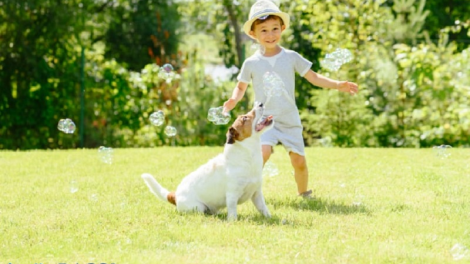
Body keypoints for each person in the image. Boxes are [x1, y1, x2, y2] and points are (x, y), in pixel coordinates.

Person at [223, 0, 358, 198]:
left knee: (299, 161)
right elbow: (241, 86)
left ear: (283, 28)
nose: (271, 35)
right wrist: (233, 100)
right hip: (264, 119)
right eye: (264, 30)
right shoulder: (251, 63)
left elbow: (314, 77)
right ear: (253, 34)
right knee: (263, 154)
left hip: (289, 119)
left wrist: (338, 84)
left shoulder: (291, 57)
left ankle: (304, 193)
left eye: (275, 29)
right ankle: (246, 191)